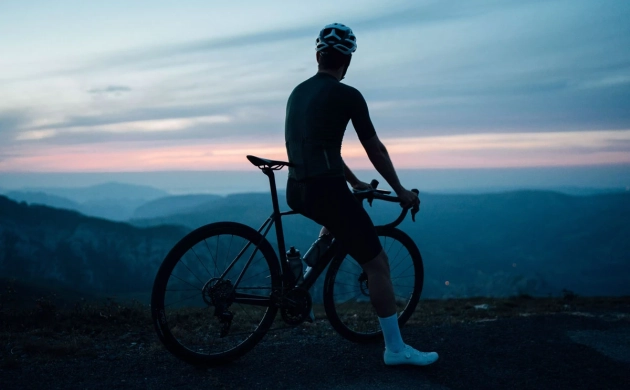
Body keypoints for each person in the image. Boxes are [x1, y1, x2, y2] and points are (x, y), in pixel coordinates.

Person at [285, 23, 439, 366]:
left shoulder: (298, 92)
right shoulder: (348, 95)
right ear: (347, 61)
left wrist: (354, 182)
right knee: (378, 263)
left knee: (337, 219)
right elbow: (375, 149)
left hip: (296, 189)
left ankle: (302, 269)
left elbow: (322, 149)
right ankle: (396, 350)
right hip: (326, 190)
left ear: (317, 56)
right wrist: (399, 190)